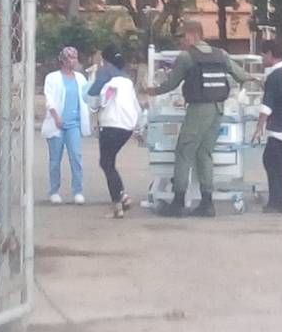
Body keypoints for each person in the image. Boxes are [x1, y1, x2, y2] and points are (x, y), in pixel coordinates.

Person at [148, 19, 250, 218]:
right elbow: (241, 75)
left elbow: (171, 83)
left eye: (183, 37)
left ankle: (178, 202)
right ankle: (206, 203)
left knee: (184, 151)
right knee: (204, 153)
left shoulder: (187, 57)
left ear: (193, 35)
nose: (181, 42)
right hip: (218, 109)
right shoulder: (221, 54)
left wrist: (153, 91)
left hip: (199, 108)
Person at [95, 50, 142, 219]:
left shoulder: (110, 82)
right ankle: (121, 197)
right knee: (110, 163)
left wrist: (95, 107)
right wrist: (138, 127)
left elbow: (103, 100)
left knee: (106, 163)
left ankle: (119, 201)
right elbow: (136, 106)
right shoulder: (128, 83)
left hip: (110, 125)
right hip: (126, 127)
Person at [42, 46, 91, 205]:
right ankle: (54, 191)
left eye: (75, 58)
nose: (74, 61)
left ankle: (78, 190)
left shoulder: (80, 78)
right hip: (57, 123)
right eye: (70, 58)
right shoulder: (52, 78)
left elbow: (85, 96)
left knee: (76, 156)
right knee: (55, 159)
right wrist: (55, 116)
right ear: (63, 60)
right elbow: (49, 98)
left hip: (74, 124)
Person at [253, 40, 282, 213]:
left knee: (272, 163)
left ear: (270, 54)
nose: (262, 58)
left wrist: (259, 127)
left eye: (263, 54)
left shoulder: (274, 76)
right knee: (281, 165)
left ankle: (277, 202)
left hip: (277, 128)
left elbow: (267, 105)